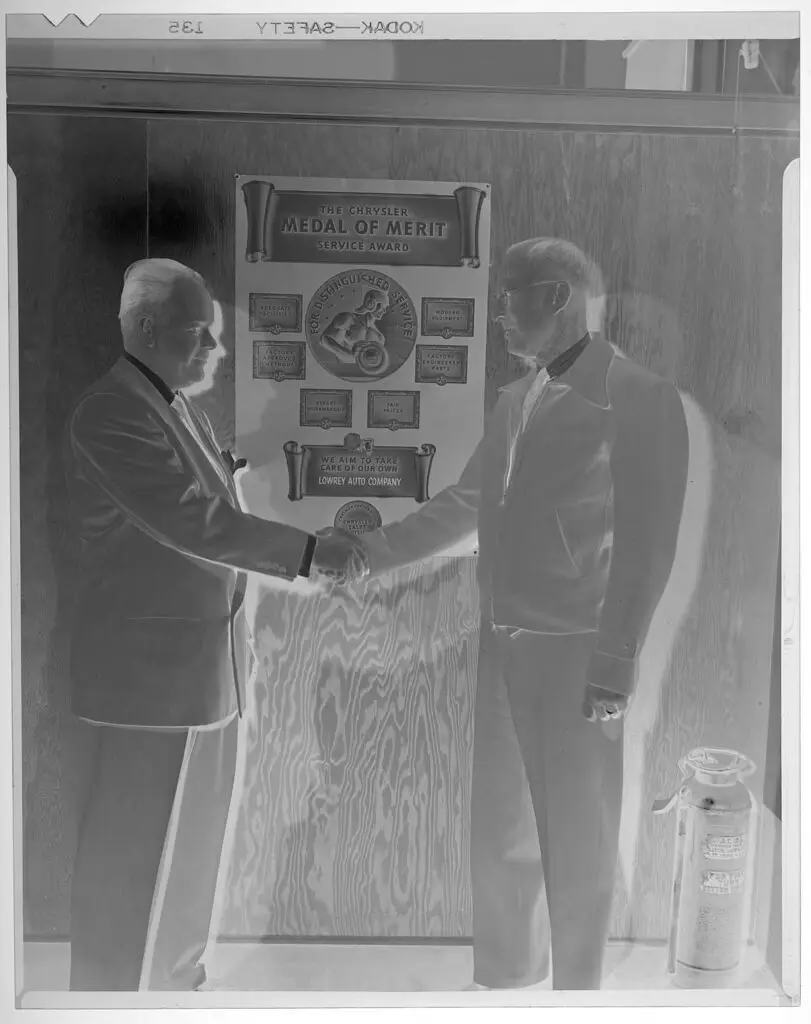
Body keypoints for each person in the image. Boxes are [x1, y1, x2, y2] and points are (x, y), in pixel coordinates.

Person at [361, 238, 689, 990]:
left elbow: (647, 545)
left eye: (507, 298)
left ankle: (576, 993)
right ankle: (505, 984)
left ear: (557, 297)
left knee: (576, 835)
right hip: (505, 639)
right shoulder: (519, 398)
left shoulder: (636, 396)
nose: (497, 317)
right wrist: (367, 551)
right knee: (503, 828)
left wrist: (614, 664)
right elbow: (464, 505)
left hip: (578, 652)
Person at [65, 258, 368, 991]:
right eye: (199, 333)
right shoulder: (112, 412)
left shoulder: (170, 404)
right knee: (133, 850)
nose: (214, 350)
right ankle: (110, 995)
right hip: (147, 681)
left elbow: (204, 494)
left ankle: (171, 978)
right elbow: (190, 520)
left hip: (195, 671)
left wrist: (265, 458)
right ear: (142, 327)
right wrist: (306, 551)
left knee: (192, 840)